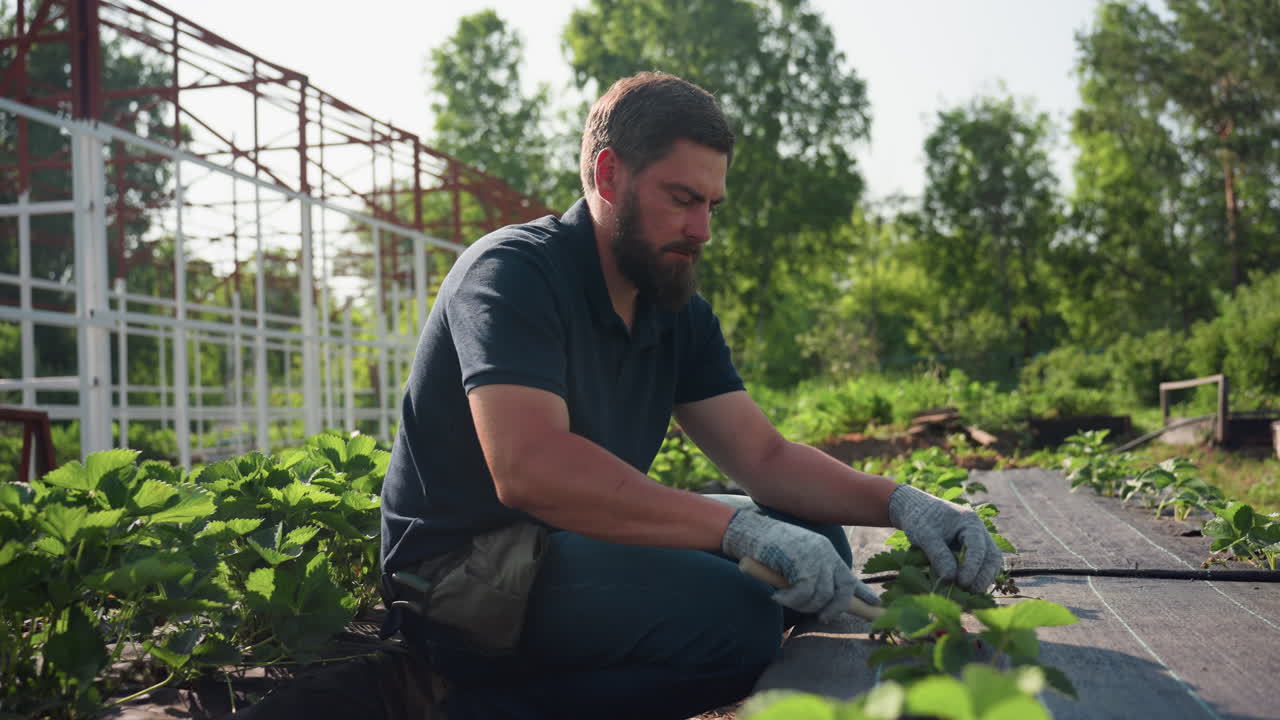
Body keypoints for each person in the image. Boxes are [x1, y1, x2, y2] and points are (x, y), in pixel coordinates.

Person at [378, 71, 1002, 720]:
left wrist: (906, 503)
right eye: (682, 198)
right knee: (740, 622)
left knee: (818, 539)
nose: (702, 229)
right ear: (610, 175)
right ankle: (466, 707)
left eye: (712, 205)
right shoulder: (513, 274)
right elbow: (529, 469)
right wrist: (734, 530)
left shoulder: (672, 307)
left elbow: (764, 458)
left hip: (571, 542)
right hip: (464, 577)